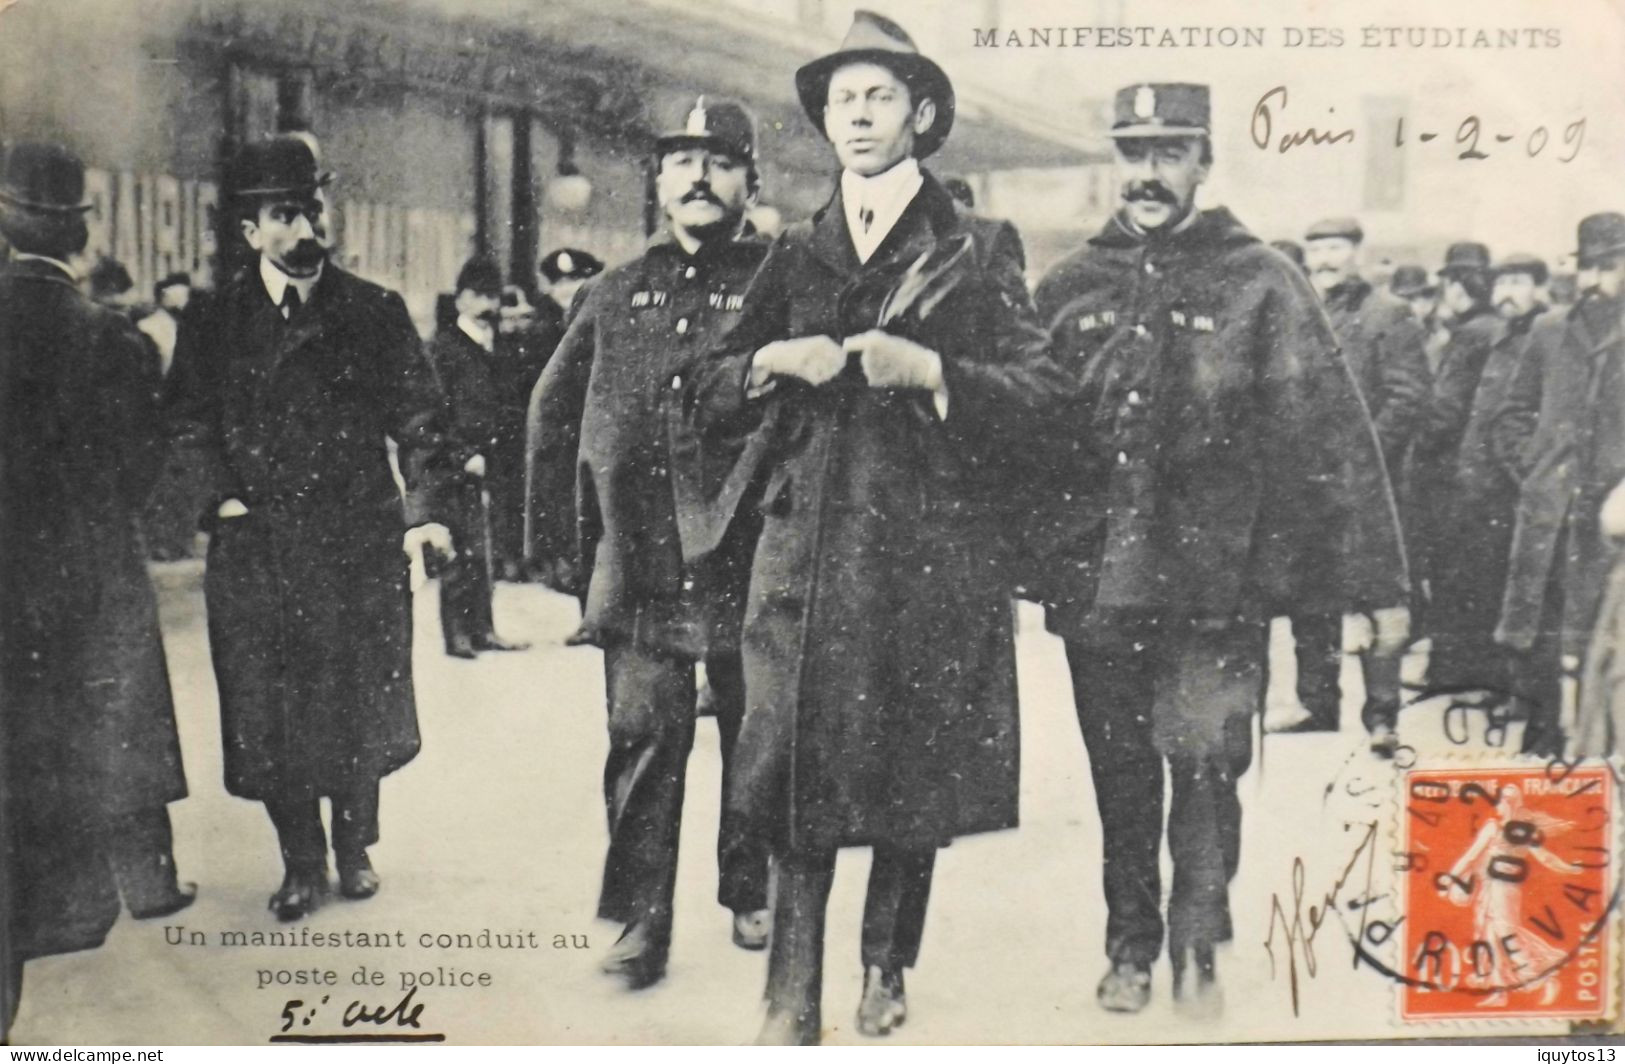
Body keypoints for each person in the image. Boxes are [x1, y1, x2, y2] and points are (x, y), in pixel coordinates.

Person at [685, 13, 1067, 1042]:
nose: (855, 117)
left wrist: (937, 370)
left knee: (910, 767)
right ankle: (788, 994)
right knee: (791, 761)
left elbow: (1040, 390)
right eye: (841, 101)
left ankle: (885, 960)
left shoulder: (977, 248)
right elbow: (708, 386)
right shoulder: (789, 253)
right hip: (803, 553)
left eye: (878, 98)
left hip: (925, 553)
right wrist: (774, 362)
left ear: (921, 114)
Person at [1029, 82, 1407, 1017]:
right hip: (1099, 582)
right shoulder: (1073, 281)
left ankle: (1197, 942)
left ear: (1204, 161)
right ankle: (1129, 943)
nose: (1147, 173)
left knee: (1204, 764)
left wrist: (1376, 584)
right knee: (1120, 775)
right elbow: (1023, 430)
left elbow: (1330, 435)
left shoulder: (1261, 279)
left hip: (1217, 585)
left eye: (1168, 153)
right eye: (1132, 153)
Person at [167, 134, 466, 921]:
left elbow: (425, 422)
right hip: (259, 547)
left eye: (311, 209)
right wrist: (220, 498)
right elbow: (185, 424)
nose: (304, 230)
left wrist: (423, 513)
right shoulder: (213, 320)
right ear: (249, 231)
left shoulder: (373, 311)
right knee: (272, 711)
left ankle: (355, 845)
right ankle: (300, 858)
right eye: (283, 215)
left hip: (355, 545)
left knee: (355, 699)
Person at [527, 96, 774, 991]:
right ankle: (640, 917)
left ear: (751, 181)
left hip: (751, 554)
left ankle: (751, 883)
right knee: (640, 732)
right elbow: (552, 413)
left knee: (757, 728)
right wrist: (564, 550)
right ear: (660, 184)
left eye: (718, 161)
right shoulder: (616, 290)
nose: (698, 176)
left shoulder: (782, 283)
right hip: (641, 559)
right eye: (680, 161)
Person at [0, 142, 191, 1030]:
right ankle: (104, 896)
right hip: (87, 572)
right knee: (101, 734)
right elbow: (145, 466)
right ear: (78, 231)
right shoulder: (109, 338)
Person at [1282, 216, 1429, 748]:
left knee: (1381, 596)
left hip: (1370, 487)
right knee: (1311, 593)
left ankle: (1383, 718)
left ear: (1358, 253)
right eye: (1316, 249)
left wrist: (1363, 458)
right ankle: (1316, 704)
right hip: (1309, 482)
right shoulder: (1300, 314)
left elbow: (1409, 397)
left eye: (1335, 248)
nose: (1324, 260)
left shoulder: (1387, 314)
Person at [1495, 213, 1625, 758]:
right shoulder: (1550, 329)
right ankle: (1543, 754)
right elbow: (1511, 414)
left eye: (1610, 267)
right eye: (1588, 267)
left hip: (1611, 523)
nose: (1596, 280)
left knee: (1603, 648)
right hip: (1549, 516)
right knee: (1540, 641)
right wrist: (1536, 472)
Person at [1427, 254, 1549, 707]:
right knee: (1482, 583)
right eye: (1500, 284)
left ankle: (1515, 691)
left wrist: (1524, 472)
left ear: (1539, 287)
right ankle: (1489, 683)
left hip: (1514, 486)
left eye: (1517, 282)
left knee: (1514, 590)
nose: (1506, 293)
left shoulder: (1544, 335)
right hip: (1478, 484)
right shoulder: (1500, 335)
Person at [426, 255, 528, 658]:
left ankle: (484, 628)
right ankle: (459, 635)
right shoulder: (445, 349)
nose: (489, 305)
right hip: (456, 464)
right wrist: (463, 453)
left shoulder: (497, 346)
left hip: (494, 462)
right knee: (458, 550)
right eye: (479, 296)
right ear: (461, 300)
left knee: (486, 548)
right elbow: (434, 412)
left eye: (493, 296)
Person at [1411, 241, 1498, 669]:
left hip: (1452, 471)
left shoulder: (1468, 334)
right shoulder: (1498, 327)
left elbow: (1445, 410)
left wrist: (1420, 449)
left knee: (1450, 570)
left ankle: (1449, 669)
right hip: (1486, 469)